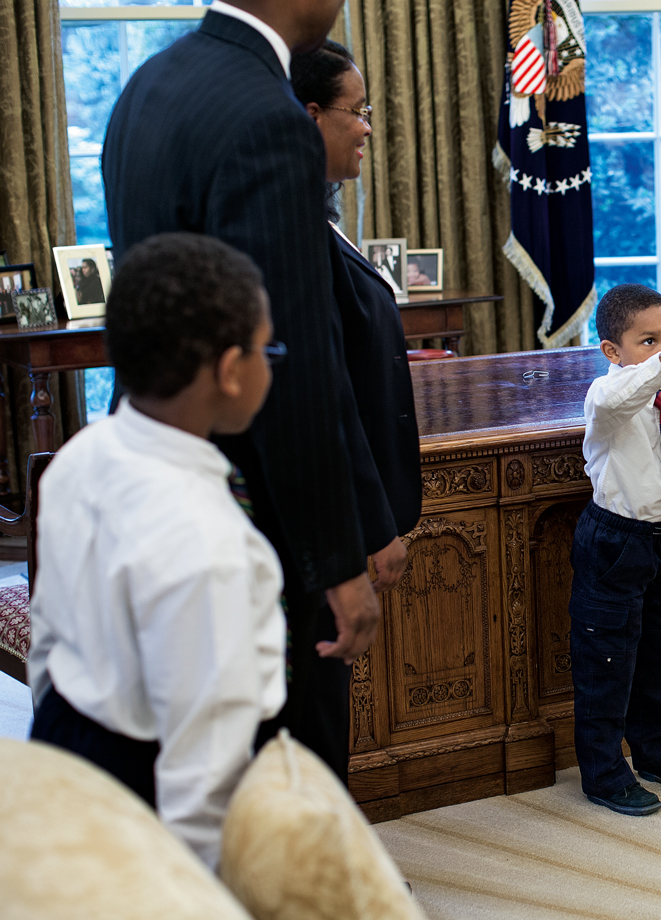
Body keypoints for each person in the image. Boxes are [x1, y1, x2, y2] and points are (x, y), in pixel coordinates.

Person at [102, 0, 388, 782]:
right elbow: (291, 359)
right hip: (253, 513)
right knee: (286, 767)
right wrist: (336, 560)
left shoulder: (147, 86)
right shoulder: (267, 116)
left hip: (154, 477)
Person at [28, 232, 285, 869]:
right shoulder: (207, 542)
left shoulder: (80, 457)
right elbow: (204, 767)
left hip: (65, 733)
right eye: (265, 349)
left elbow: (46, 638)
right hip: (150, 782)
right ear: (230, 372)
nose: (270, 365)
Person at [571, 284, 661, 816]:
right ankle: (604, 772)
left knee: (659, 656)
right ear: (612, 351)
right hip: (613, 543)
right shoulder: (606, 400)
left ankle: (657, 751)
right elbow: (624, 394)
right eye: (647, 340)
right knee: (607, 661)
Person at [291, 41, 419, 587]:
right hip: (336, 527)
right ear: (312, 115)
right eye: (358, 110)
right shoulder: (293, 232)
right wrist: (371, 525)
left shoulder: (318, 213)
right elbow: (327, 390)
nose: (367, 128)